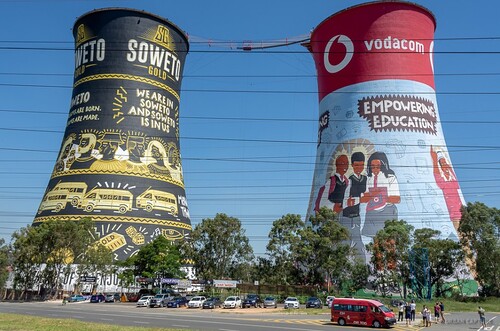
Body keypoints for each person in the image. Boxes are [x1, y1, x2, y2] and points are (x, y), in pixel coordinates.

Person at [360, 152, 400, 239]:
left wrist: (382, 196)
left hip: (387, 211)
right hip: (372, 212)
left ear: (383, 165)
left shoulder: (390, 177)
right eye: (372, 166)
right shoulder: (369, 179)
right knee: (376, 242)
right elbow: (365, 198)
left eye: (378, 166)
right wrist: (370, 196)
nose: (375, 169)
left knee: (389, 241)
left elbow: (397, 199)